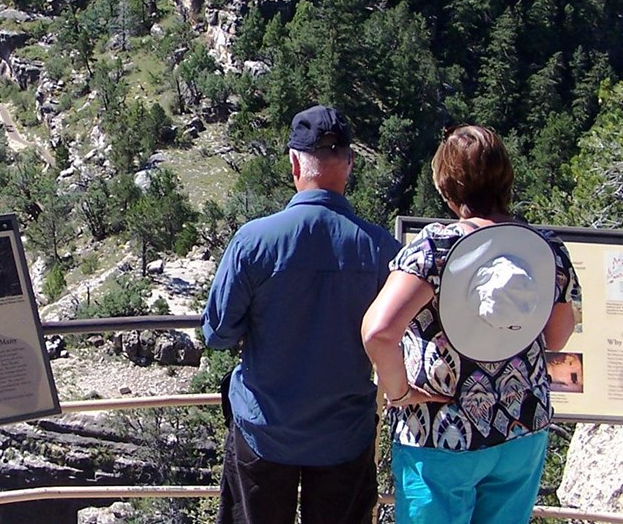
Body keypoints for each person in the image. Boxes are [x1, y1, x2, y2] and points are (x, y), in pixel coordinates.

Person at [361, 124, 582, 524]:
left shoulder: (435, 250)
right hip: (523, 425)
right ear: (506, 178)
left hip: (441, 429)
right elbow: (557, 335)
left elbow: (378, 332)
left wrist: (399, 393)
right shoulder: (548, 249)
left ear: (448, 188)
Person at [203, 105, 402, 524]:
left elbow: (218, 333)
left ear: (294, 162)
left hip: (264, 429)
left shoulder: (254, 241)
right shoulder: (384, 250)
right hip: (344, 436)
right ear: (349, 164)